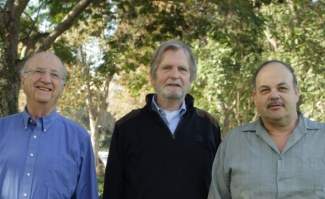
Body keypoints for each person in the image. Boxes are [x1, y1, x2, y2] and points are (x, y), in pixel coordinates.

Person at [103, 40, 221, 199]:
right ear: (153, 76)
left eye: (182, 69)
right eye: (167, 68)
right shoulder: (126, 127)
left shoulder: (209, 126)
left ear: (190, 78)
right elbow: (113, 190)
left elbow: (219, 187)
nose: (175, 75)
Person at [208, 60, 325, 199]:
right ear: (255, 97)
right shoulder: (233, 144)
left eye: (282, 88)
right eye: (265, 90)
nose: (274, 96)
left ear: (296, 93)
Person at [0, 51, 99, 199]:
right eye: (39, 71)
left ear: (62, 86)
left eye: (54, 75)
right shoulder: (2, 130)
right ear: (23, 80)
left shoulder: (80, 140)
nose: (46, 79)